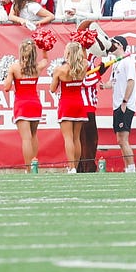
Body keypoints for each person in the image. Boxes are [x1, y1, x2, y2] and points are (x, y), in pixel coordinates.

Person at [3, 36, 46, 168]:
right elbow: (46, 60)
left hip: (21, 104)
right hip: (35, 103)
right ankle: (34, 166)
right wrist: (44, 46)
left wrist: (7, 76)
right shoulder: (38, 67)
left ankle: (28, 168)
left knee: (26, 138)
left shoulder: (14, 67)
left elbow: (6, 87)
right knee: (33, 135)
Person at [51, 41, 90, 173]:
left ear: (67, 53)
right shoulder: (84, 65)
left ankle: (71, 167)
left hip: (66, 104)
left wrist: (55, 77)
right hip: (79, 103)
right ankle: (76, 167)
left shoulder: (60, 69)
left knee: (68, 138)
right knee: (76, 137)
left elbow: (52, 89)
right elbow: (85, 59)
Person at [107, 36, 136, 173]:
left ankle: (131, 168)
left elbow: (131, 82)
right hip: (117, 104)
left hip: (125, 105)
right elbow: (112, 82)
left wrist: (125, 101)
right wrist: (103, 85)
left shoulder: (127, 61)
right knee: (119, 139)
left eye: (113, 43)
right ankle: (127, 167)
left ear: (119, 45)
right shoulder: (116, 62)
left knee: (123, 139)